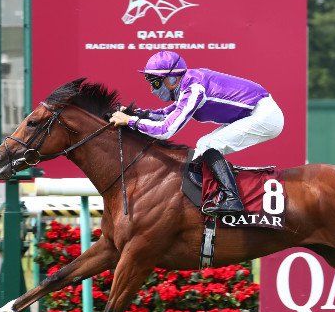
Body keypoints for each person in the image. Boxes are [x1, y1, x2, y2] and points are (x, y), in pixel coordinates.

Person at [110, 51, 284, 215]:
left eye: (155, 82)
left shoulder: (195, 89)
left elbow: (165, 130)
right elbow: (165, 114)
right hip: (256, 112)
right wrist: (135, 114)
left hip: (265, 116)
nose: (152, 89)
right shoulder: (188, 84)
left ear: (172, 79)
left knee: (207, 144)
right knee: (202, 147)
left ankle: (232, 199)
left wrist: (130, 121)